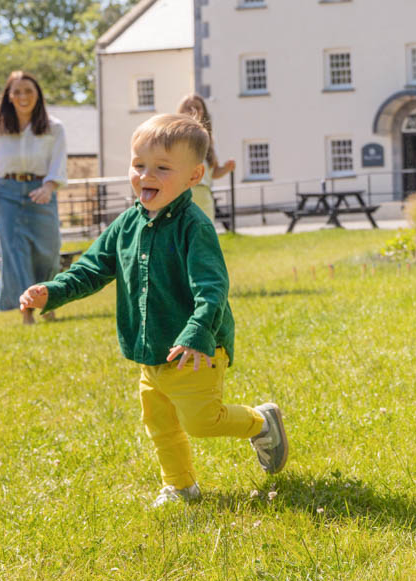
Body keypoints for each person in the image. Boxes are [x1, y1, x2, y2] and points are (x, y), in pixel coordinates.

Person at [19, 113, 289, 508]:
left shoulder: (194, 227)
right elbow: (92, 268)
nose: (146, 175)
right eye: (138, 165)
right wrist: (52, 291)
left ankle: (261, 423)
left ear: (194, 177)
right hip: (150, 351)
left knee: (201, 421)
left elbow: (212, 288)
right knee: (160, 424)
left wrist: (197, 332)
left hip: (196, 350)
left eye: (162, 168)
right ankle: (181, 486)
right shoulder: (126, 224)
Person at [0, 70, 67, 322]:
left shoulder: (54, 127)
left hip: (41, 191)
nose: (23, 96)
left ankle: (49, 302)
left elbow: (58, 165)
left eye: (29, 91)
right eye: (17, 91)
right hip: (5, 194)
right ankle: (26, 312)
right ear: (9, 96)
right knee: (15, 252)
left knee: (48, 250)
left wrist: (48, 187)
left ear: (38, 95)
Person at [175, 94, 236, 222]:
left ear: (204, 111)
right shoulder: (175, 138)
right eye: (188, 107)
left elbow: (212, 173)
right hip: (183, 194)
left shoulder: (208, 140)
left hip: (205, 195)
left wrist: (226, 168)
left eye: (197, 107)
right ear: (181, 111)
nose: (193, 110)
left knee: (205, 237)